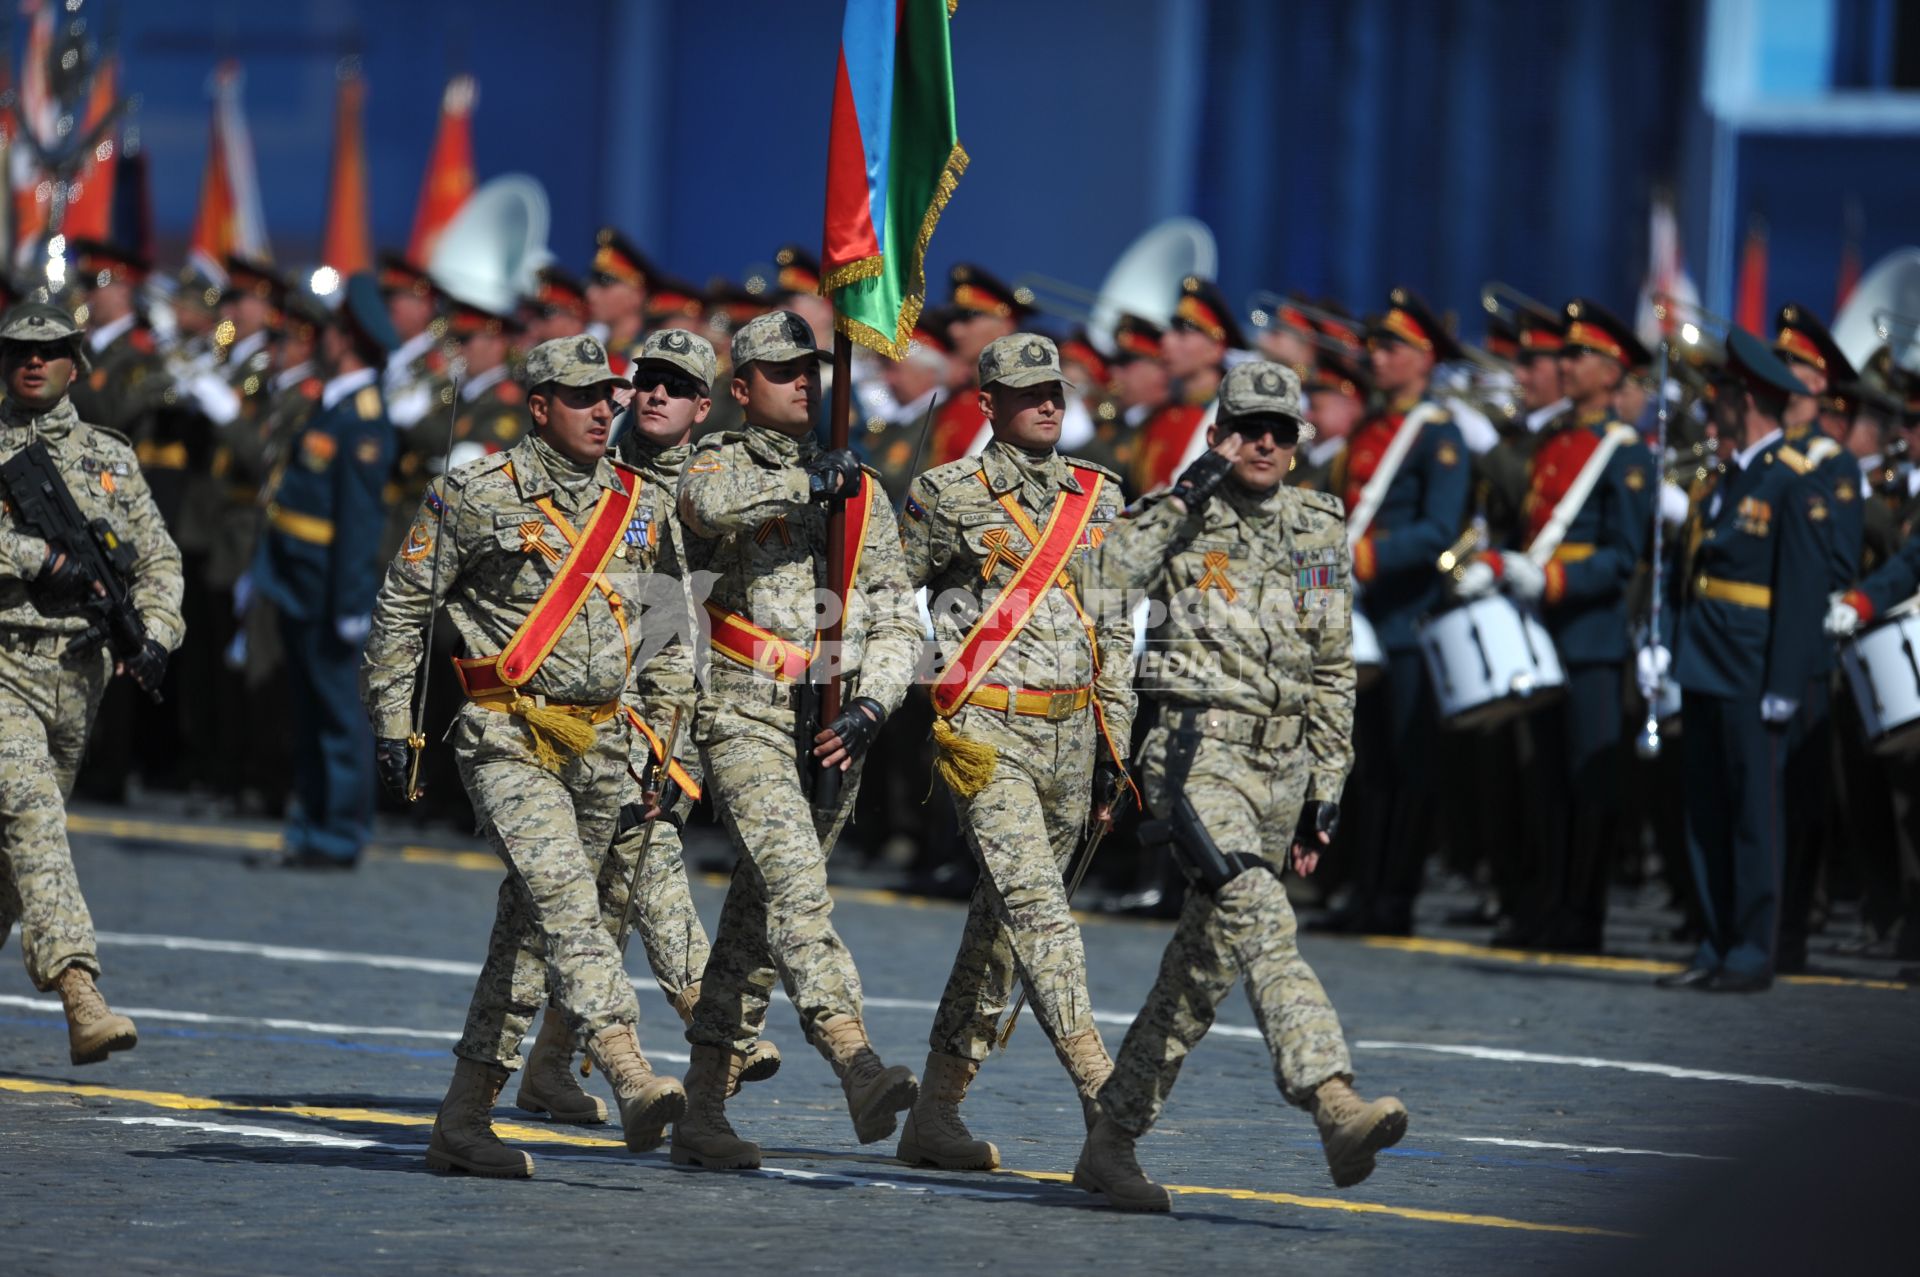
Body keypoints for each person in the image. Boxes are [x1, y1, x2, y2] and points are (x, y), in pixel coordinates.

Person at [1074, 361, 1406, 1212]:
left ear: (1298, 445)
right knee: (1261, 915)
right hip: (1196, 761)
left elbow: (1332, 665)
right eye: (1247, 425)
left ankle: (1111, 1142)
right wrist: (1187, 491)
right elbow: (1101, 580)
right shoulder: (1181, 514)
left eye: (1280, 430)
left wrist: (1326, 783)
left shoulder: (1318, 526)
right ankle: (1331, 1098)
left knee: (1202, 965)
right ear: (1220, 428)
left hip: (1280, 768)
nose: (1263, 441)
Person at [361, 333, 689, 1176]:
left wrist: (665, 739)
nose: (604, 409)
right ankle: (627, 1066)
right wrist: (395, 724)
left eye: (608, 395)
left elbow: (667, 631)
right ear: (538, 406)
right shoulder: (475, 493)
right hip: (507, 733)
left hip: (608, 741)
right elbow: (403, 608)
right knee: (566, 899)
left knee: (528, 937)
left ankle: (463, 1120)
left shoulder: (636, 499)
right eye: (581, 396)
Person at [669, 309, 922, 1171]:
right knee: (797, 884)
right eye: (782, 372)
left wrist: (876, 705)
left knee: (751, 930)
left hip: (829, 725)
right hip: (740, 709)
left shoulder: (860, 486)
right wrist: (804, 488)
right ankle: (853, 1055)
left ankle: (702, 1111)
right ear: (740, 390)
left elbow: (892, 612)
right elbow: (702, 505)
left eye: (811, 368)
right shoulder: (721, 460)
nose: (805, 382)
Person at [513, 327, 782, 1123]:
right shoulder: (596, 475)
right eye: (645, 380)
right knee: (634, 872)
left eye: (675, 385)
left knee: (610, 895)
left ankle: (553, 1065)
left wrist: (675, 736)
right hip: (575, 714)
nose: (652, 394)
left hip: (666, 707)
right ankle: (708, 1020)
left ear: (705, 406)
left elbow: (684, 624)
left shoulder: (706, 484)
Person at [894, 333, 1135, 1170]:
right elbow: (892, 602)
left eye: (1056, 391)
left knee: (999, 934)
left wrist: (1118, 743)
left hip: (1074, 739)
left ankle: (934, 1113)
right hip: (987, 736)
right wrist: (879, 698)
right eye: (1028, 391)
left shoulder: (1099, 496)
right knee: (1039, 913)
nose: (1047, 404)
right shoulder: (946, 492)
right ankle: (1108, 1102)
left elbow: (1114, 630)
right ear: (988, 403)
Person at [0, 302, 181, 1064]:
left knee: (11, 873)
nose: (33, 362)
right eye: (18, 351)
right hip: (5, 661)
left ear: (77, 363)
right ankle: (81, 993)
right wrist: (34, 559)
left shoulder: (111, 455)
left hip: (78, 679)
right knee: (35, 822)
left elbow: (159, 559)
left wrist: (157, 635)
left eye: (51, 350)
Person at [1456, 300, 1655, 951]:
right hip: (1541, 628)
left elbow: (1624, 555)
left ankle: (1582, 913)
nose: (1564, 366)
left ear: (1610, 369)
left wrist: (1556, 579)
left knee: (1588, 781)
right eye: (1563, 355)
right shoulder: (1555, 441)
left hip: (1590, 634)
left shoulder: (1621, 450)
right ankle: (1546, 906)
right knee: (1545, 779)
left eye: (1578, 356)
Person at [1646, 330, 1829, 993]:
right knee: (1707, 810)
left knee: (1755, 814)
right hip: (1703, 661)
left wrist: (1785, 683)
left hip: (1753, 672)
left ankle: (1752, 948)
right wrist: (1663, 641)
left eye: (1720, 394)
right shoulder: (1721, 481)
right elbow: (1689, 575)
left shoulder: (1790, 483)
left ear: (1746, 399)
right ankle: (1714, 938)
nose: (1711, 405)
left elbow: (1804, 594)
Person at [1317, 288, 1468, 934]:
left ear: (1425, 358)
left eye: (1391, 347)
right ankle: (1366, 888)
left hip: (1408, 619)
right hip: (1363, 619)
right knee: (1367, 759)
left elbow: (1440, 529)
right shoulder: (1371, 429)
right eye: (1374, 346)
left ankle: (1396, 895)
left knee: (1409, 763)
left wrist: (1369, 557)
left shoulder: (1438, 435)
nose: (1375, 357)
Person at [252, 274, 397, 869]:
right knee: (310, 708)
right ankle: (312, 822)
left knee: (338, 713)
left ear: (348, 339)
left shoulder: (362, 417)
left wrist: (351, 604)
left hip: (328, 586)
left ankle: (339, 831)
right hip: (299, 577)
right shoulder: (333, 403)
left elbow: (359, 523)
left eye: (333, 330)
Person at [1132, 275, 1244, 492]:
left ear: (1215, 349)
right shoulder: (1159, 415)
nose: (1165, 341)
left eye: (1182, 333)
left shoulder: (1230, 420)